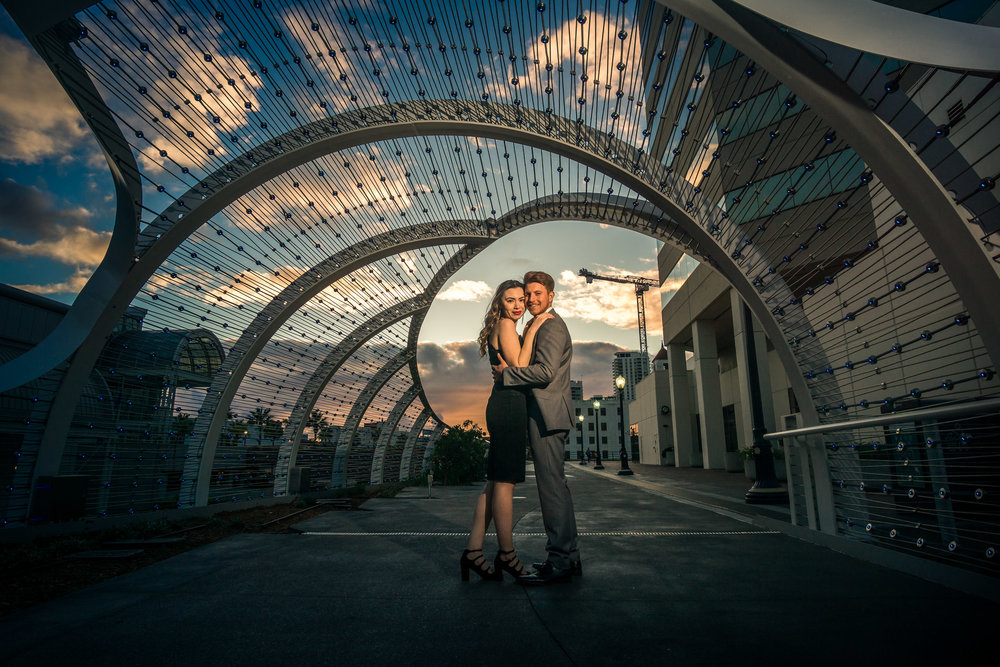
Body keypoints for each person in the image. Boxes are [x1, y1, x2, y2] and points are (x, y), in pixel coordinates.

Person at [461, 279, 553, 582]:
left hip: (502, 405)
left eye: (520, 300)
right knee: (504, 484)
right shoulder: (505, 327)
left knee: (493, 484)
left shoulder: (503, 327)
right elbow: (521, 364)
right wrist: (537, 327)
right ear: (500, 304)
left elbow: (512, 368)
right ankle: (507, 554)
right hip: (509, 407)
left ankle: (474, 552)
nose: (517, 305)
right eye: (510, 300)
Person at [493, 270, 580, 585]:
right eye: (527, 294)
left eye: (536, 294)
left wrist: (507, 375)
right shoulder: (536, 324)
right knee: (558, 488)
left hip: (547, 416)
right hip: (547, 413)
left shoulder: (551, 326)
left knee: (552, 489)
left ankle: (560, 561)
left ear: (551, 296)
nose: (530, 300)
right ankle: (568, 557)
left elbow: (543, 372)